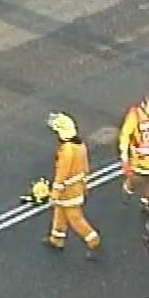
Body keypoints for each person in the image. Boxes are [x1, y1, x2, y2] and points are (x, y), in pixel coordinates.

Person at [44, 111, 102, 260]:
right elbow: (85, 167)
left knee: (75, 218)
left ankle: (93, 242)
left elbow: (62, 173)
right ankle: (56, 239)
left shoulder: (67, 151)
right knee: (60, 213)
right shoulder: (79, 146)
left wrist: (54, 193)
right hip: (76, 187)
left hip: (68, 191)